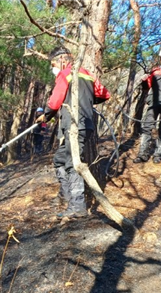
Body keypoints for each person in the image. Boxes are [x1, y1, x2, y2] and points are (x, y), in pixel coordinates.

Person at [36, 47, 110, 218]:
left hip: (74, 126)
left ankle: (77, 206)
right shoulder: (86, 74)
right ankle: (66, 195)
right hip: (86, 125)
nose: (52, 67)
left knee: (72, 163)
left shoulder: (65, 74)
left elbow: (54, 103)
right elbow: (104, 94)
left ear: (62, 59)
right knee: (59, 160)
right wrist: (88, 98)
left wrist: (45, 116)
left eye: (53, 63)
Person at [134, 44, 161, 164]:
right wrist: (143, 81)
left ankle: (157, 155)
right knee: (147, 127)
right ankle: (142, 154)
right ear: (160, 58)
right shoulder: (155, 71)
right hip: (153, 103)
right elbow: (146, 87)